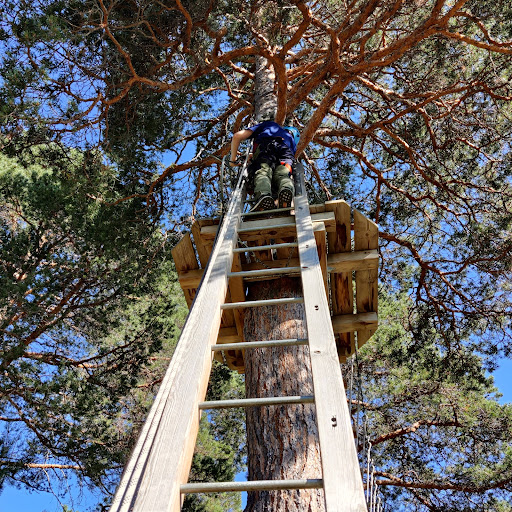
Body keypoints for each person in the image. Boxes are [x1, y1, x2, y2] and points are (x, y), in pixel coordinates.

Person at [230, 121, 300, 211]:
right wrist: (252, 156)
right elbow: (280, 150)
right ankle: (286, 188)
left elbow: (237, 136)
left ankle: (263, 195)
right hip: (286, 156)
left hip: (267, 148)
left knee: (263, 172)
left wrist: (233, 160)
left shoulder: (270, 125)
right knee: (282, 175)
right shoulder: (292, 144)